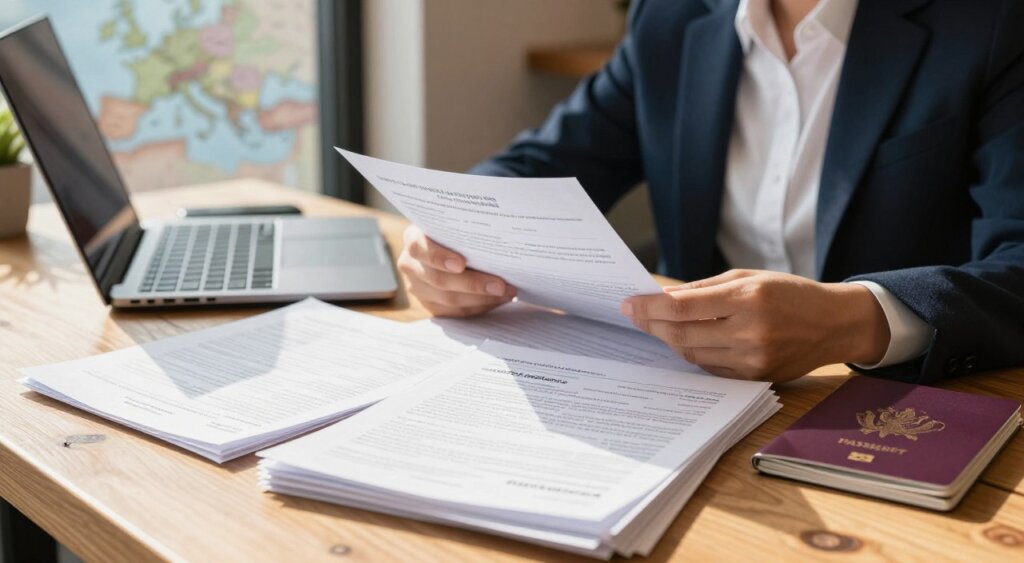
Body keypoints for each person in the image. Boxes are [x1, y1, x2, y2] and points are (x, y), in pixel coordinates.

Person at [398, 0, 1024, 384]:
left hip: (892, 400)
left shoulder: (993, 20)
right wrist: (448, 233)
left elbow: (1017, 263)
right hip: (692, 389)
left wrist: (851, 321)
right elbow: (539, 162)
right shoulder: (672, 15)